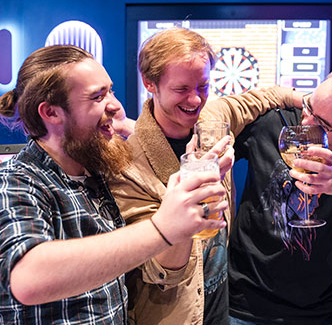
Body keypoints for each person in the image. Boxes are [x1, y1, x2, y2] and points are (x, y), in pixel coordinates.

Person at [0, 45, 229, 324]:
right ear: (51, 113)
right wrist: (162, 229)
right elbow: (28, 278)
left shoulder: (95, 172)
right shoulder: (16, 179)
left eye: (111, 91)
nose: (115, 106)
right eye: (98, 96)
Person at [109, 27, 301, 325]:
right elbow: (161, 270)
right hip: (175, 315)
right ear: (150, 83)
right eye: (181, 89)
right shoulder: (128, 164)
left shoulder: (212, 119)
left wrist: (322, 110)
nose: (196, 100)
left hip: (222, 307)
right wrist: (198, 182)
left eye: (203, 85)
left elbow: (265, 97)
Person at [228, 65, 332, 325]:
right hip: (243, 302)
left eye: (323, 124)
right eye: (309, 108)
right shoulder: (275, 121)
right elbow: (214, 122)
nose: (306, 123)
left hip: (319, 309)